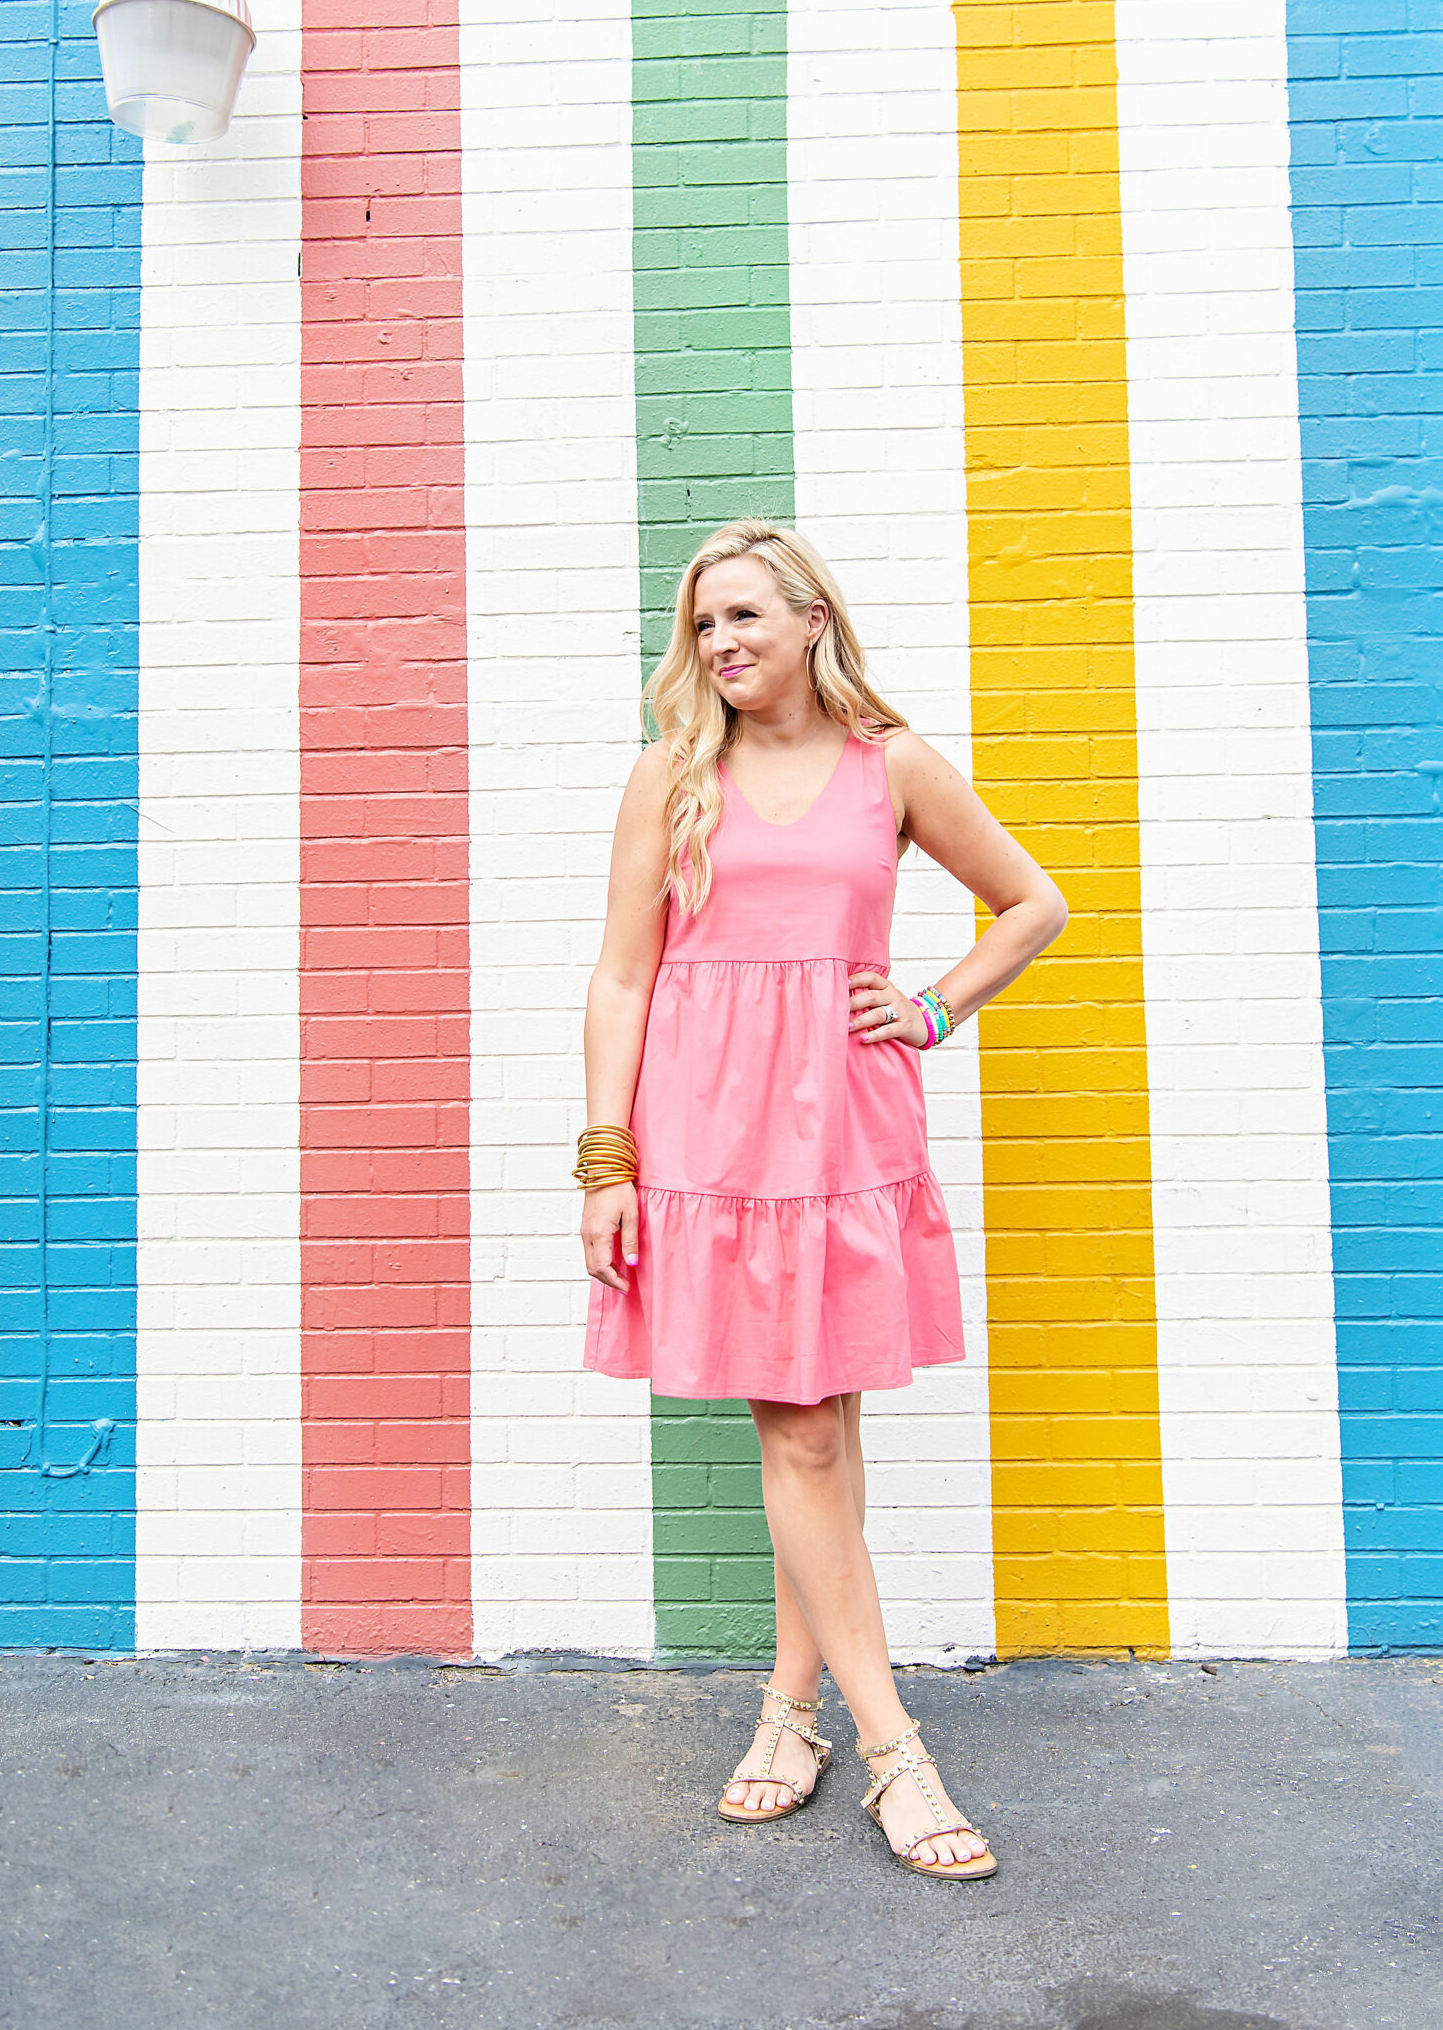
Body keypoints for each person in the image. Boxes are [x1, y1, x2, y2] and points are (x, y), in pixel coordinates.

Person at [577, 519, 1066, 1880]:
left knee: (822, 1436)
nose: (721, 645)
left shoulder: (889, 766)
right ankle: (895, 1749)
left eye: (743, 617)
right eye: (703, 627)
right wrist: (605, 1162)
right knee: (799, 1441)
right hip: (713, 1141)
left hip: (847, 1132)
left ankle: (790, 1717)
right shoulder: (671, 775)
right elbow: (622, 977)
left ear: (809, 620)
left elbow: (1032, 903)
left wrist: (931, 1007)